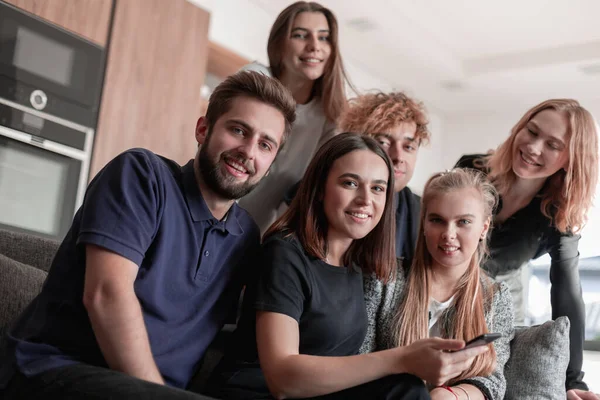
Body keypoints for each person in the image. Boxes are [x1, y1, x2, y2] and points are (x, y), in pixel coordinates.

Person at [0, 71, 296, 399]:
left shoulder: (245, 238)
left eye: (265, 145)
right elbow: (105, 295)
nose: (248, 151)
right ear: (203, 129)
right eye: (238, 130)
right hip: (51, 371)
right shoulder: (142, 175)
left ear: (269, 166)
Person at [207, 133, 490, 400]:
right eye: (350, 183)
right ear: (319, 189)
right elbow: (282, 378)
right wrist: (402, 358)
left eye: (377, 188)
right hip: (258, 394)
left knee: (406, 390)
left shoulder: (359, 265)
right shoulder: (285, 254)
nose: (366, 200)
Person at [455, 99, 599, 399]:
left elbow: (568, 296)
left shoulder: (558, 215)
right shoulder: (470, 168)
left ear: (570, 159)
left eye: (553, 145)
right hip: (442, 284)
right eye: (531, 132)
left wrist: (573, 381)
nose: (534, 147)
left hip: (496, 295)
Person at [361, 168, 514, 400]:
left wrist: (448, 396)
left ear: (483, 228)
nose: (448, 234)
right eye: (437, 220)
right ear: (424, 223)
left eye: (463, 222)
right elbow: (359, 360)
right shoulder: (386, 278)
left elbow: (491, 381)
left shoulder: (496, 296)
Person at [239, 1, 351, 234]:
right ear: (279, 44)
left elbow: (310, 190)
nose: (314, 46)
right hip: (213, 216)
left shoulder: (330, 114)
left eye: (323, 37)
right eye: (301, 35)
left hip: (261, 237)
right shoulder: (255, 79)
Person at [340, 91, 430, 260]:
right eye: (384, 142)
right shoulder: (324, 198)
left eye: (408, 147)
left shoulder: (425, 213)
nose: (398, 157)